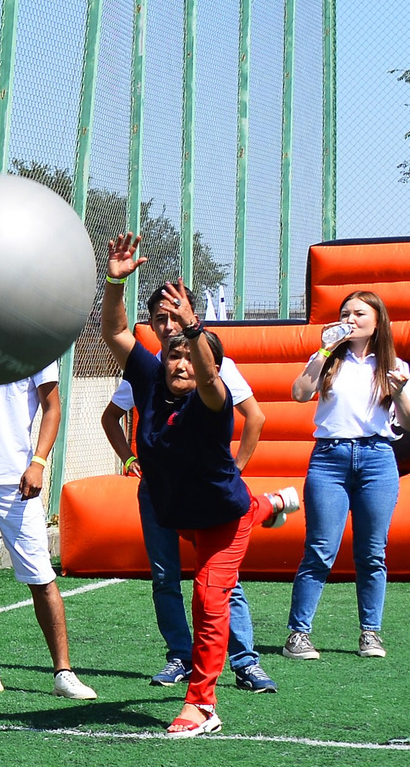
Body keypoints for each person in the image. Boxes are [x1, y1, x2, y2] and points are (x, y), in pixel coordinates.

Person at [100, 235, 299, 736]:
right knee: (235, 523)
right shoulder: (149, 378)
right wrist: (114, 281)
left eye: (191, 355)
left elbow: (212, 379)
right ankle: (270, 503)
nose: (181, 362)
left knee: (210, 598)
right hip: (178, 509)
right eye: (173, 355)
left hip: (218, 518)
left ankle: (203, 705)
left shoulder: (212, 401)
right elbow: (116, 332)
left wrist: (192, 326)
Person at [283, 289, 410, 659]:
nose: (350, 319)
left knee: (372, 552)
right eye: (345, 313)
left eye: (359, 314)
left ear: (377, 322)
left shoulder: (393, 366)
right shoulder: (328, 358)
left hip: (378, 458)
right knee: (320, 550)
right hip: (330, 459)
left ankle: (370, 633)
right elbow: (298, 393)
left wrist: (402, 392)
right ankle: (298, 635)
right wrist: (325, 351)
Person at [0, 357, 98, 699]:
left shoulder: (33, 347)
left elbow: (52, 408)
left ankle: (64, 672)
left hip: (16, 481)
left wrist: (38, 462)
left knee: (40, 576)